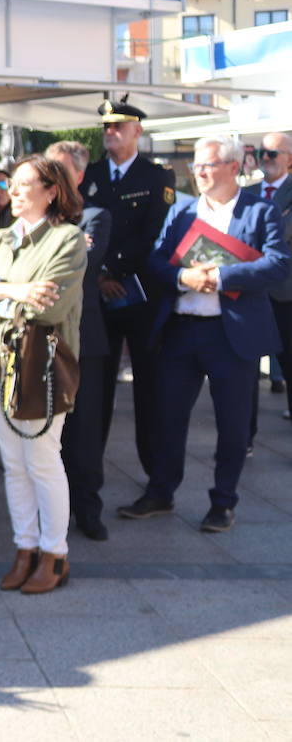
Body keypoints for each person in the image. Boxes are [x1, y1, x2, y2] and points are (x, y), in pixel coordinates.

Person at [118, 136, 290, 533]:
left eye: (209, 164)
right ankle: (161, 492)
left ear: (234, 168)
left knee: (232, 426)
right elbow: (156, 260)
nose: (200, 172)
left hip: (233, 337)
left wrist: (221, 276)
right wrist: (183, 277)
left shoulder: (260, 211)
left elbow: (279, 264)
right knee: (167, 418)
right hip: (182, 330)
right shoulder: (182, 212)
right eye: (196, 165)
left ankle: (223, 502)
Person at [0, 155, 87, 595]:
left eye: (24, 184)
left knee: (43, 461)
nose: (12, 191)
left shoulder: (67, 239)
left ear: (52, 191)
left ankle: (55, 553)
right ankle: (24, 548)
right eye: (11, 184)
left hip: (39, 367)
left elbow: (47, 307)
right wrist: (11, 289)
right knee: (13, 465)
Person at [81, 97, 176, 478]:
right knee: (96, 389)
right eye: (106, 126)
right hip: (99, 296)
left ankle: (155, 474)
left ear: (137, 131)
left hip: (141, 296)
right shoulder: (89, 175)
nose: (110, 132)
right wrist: (100, 276)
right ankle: (89, 471)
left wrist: (115, 272)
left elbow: (155, 234)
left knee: (148, 388)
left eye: (118, 126)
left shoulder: (157, 177)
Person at [45, 141, 113, 541]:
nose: (49, 177)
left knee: (84, 434)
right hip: (40, 342)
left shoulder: (94, 217)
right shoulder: (30, 218)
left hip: (84, 343)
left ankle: (88, 510)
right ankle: (53, 513)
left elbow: (78, 269)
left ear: (80, 176)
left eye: (60, 170)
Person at [244, 133, 292, 434]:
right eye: (263, 151)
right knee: (244, 369)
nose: (266, 158)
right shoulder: (245, 193)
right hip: (247, 290)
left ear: (289, 157)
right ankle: (244, 436)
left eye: (273, 153)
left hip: (286, 292)